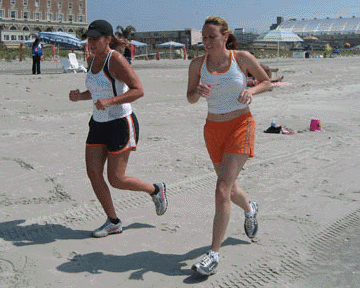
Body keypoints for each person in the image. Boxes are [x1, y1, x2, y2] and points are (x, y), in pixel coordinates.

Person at [186, 16, 272, 276]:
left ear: (225, 37)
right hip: (213, 129)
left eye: (212, 37)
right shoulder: (197, 64)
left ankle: (213, 255)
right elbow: (189, 98)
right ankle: (250, 208)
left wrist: (251, 92)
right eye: (204, 37)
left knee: (221, 189)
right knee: (230, 188)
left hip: (240, 125)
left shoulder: (241, 58)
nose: (207, 42)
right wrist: (197, 93)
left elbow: (267, 81)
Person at [69, 19, 168, 238]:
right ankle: (113, 221)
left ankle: (155, 190)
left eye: (96, 39)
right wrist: (80, 96)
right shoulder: (91, 59)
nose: (91, 43)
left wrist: (110, 102)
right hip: (98, 123)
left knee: (116, 179)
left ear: (107, 39)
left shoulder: (116, 60)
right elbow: (96, 92)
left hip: (120, 124)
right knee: (93, 173)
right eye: (89, 38)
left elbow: (138, 90)